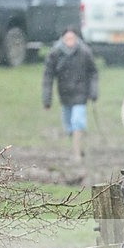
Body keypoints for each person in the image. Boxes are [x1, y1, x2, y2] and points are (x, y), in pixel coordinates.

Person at [42, 27, 98, 162]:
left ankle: (77, 154)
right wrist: (47, 99)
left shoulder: (84, 52)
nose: (70, 42)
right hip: (65, 95)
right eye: (67, 39)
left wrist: (94, 91)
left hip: (81, 94)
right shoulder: (55, 53)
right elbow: (48, 76)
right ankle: (78, 145)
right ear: (62, 39)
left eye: (72, 39)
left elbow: (93, 72)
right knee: (69, 126)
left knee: (77, 122)